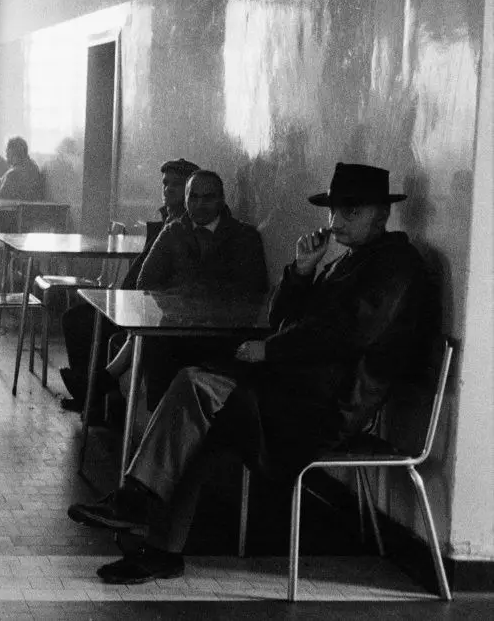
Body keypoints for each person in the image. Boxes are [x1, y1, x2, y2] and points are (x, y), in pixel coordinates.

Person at [67, 163, 430, 585]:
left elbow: (347, 334)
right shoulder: (347, 261)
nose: (336, 221)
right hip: (297, 393)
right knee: (194, 405)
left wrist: (269, 351)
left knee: (194, 390)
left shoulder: (396, 266)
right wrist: (302, 271)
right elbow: (282, 318)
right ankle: (154, 535)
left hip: (328, 410)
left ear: (381, 216)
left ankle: (140, 507)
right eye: (334, 211)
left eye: (351, 212)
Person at [57, 158, 198, 411]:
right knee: (76, 317)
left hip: (152, 307)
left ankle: (92, 396)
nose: (168, 189)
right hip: (136, 301)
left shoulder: (186, 228)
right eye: (166, 183)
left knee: (83, 322)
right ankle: (90, 395)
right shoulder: (166, 222)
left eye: (177, 184)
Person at [121, 169, 269, 408]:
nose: (200, 204)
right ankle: (160, 421)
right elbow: (145, 282)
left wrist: (199, 292)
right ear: (186, 200)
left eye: (208, 198)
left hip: (224, 333)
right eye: (194, 198)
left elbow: (253, 289)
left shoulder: (244, 236)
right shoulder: (173, 232)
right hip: (177, 329)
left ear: (222, 200)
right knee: (154, 344)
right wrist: (179, 302)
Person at [0, 136, 45, 201]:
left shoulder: (13, 174)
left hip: (13, 210)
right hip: (30, 208)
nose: (6, 155)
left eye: (7, 151)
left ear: (11, 152)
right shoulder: (33, 167)